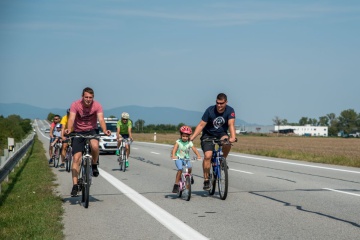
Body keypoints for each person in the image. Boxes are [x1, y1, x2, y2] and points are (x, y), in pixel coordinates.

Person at [64, 87, 111, 197]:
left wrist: (105, 130)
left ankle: (94, 164)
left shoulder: (97, 105)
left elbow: (101, 119)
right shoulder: (75, 105)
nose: (88, 99)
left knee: (95, 146)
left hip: (92, 130)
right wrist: (68, 129)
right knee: (76, 158)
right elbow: (71, 119)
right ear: (82, 97)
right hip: (78, 131)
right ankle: (75, 185)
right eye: (86, 97)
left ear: (93, 98)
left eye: (90, 97)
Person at [189, 93, 236, 190]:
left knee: (227, 143)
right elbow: (201, 125)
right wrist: (192, 138)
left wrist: (233, 137)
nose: (219, 105)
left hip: (221, 134)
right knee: (208, 156)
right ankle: (206, 179)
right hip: (208, 135)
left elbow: (231, 124)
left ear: (226, 102)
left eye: (221, 103)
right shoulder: (210, 110)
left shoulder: (230, 110)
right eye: (217, 103)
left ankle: (223, 160)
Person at [171, 125, 202, 193]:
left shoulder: (189, 142)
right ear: (181, 135)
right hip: (178, 158)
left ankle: (189, 177)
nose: (185, 138)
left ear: (189, 137)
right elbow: (174, 149)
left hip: (186, 159)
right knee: (180, 169)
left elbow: (194, 149)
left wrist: (198, 155)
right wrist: (173, 155)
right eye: (183, 136)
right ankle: (176, 185)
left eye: (187, 136)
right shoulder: (178, 142)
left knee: (190, 168)